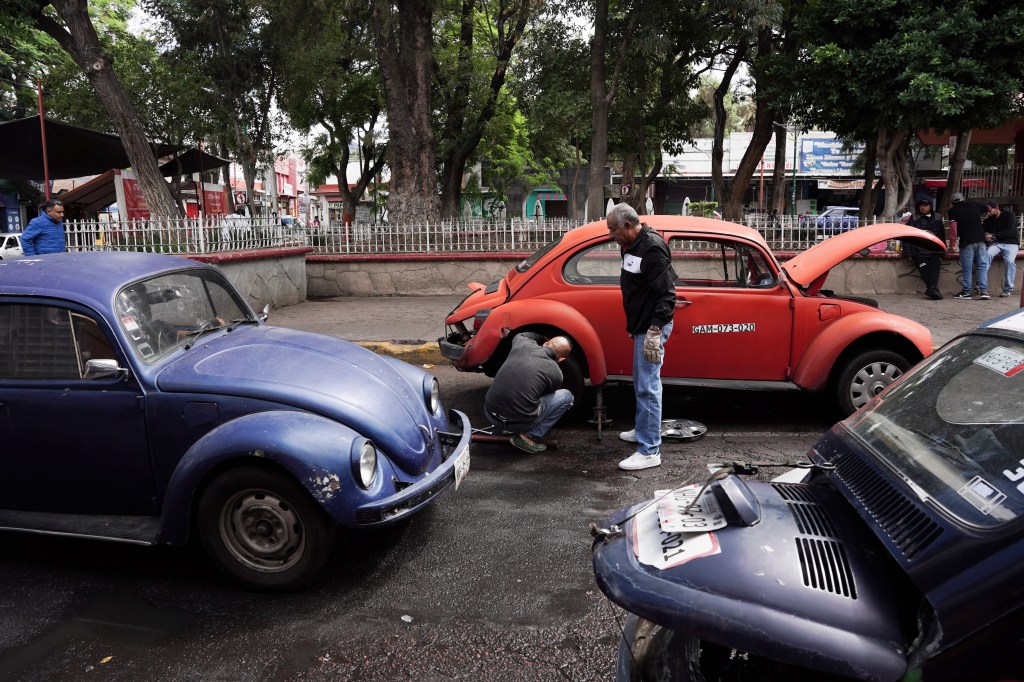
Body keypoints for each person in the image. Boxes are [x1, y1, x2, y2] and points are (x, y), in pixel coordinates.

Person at [607, 202, 676, 471]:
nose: (611, 235)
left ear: (628, 225)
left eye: (613, 229)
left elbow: (667, 295)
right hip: (641, 327)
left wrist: (653, 333)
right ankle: (643, 430)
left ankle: (649, 450)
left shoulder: (652, 248)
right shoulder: (630, 245)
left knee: (648, 386)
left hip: (652, 329)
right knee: (641, 382)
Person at [484, 332, 574, 454]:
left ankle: (504, 427)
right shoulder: (557, 374)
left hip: (490, 414)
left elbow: (521, 334)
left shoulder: (522, 344)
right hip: (519, 424)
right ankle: (529, 437)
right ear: (562, 359)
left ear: (545, 344)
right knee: (567, 396)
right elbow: (545, 395)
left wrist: (542, 336)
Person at [948, 192, 990, 299]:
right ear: (963, 199)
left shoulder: (953, 211)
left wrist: (952, 245)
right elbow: (988, 208)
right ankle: (983, 291)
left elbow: (953, 228)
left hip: (967, 242)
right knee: (982, 266)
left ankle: (967, 292)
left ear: (953, 202)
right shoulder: (974, 205)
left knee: (967, 268)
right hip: (981, 240)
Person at [905, 197, 945, 300]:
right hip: (919, 252)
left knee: (935, 272)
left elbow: (941, 235)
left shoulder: (937, 217)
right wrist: (908, 253)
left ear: (930, 206)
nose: (923, 208)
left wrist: (942, 251)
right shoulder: (913, 218)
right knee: (925, 272)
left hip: (934, 251)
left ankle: (932, 290)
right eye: (921, 205)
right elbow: (907, 236)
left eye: (925, 205)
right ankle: (933, 290)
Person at [983, 201, 1019, 297]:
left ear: (996, 208)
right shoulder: (988, 221)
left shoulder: (1009, 214)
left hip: (1011, 243)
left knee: (1009, 261)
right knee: (987, 255)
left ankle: (1008, 289)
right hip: (997, 244)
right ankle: (983, 287)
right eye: (987, 211)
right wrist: (985, 237)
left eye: (990, 210)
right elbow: (983, 232)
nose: (988, 212)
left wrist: (993, 236)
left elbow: (1009, 231)